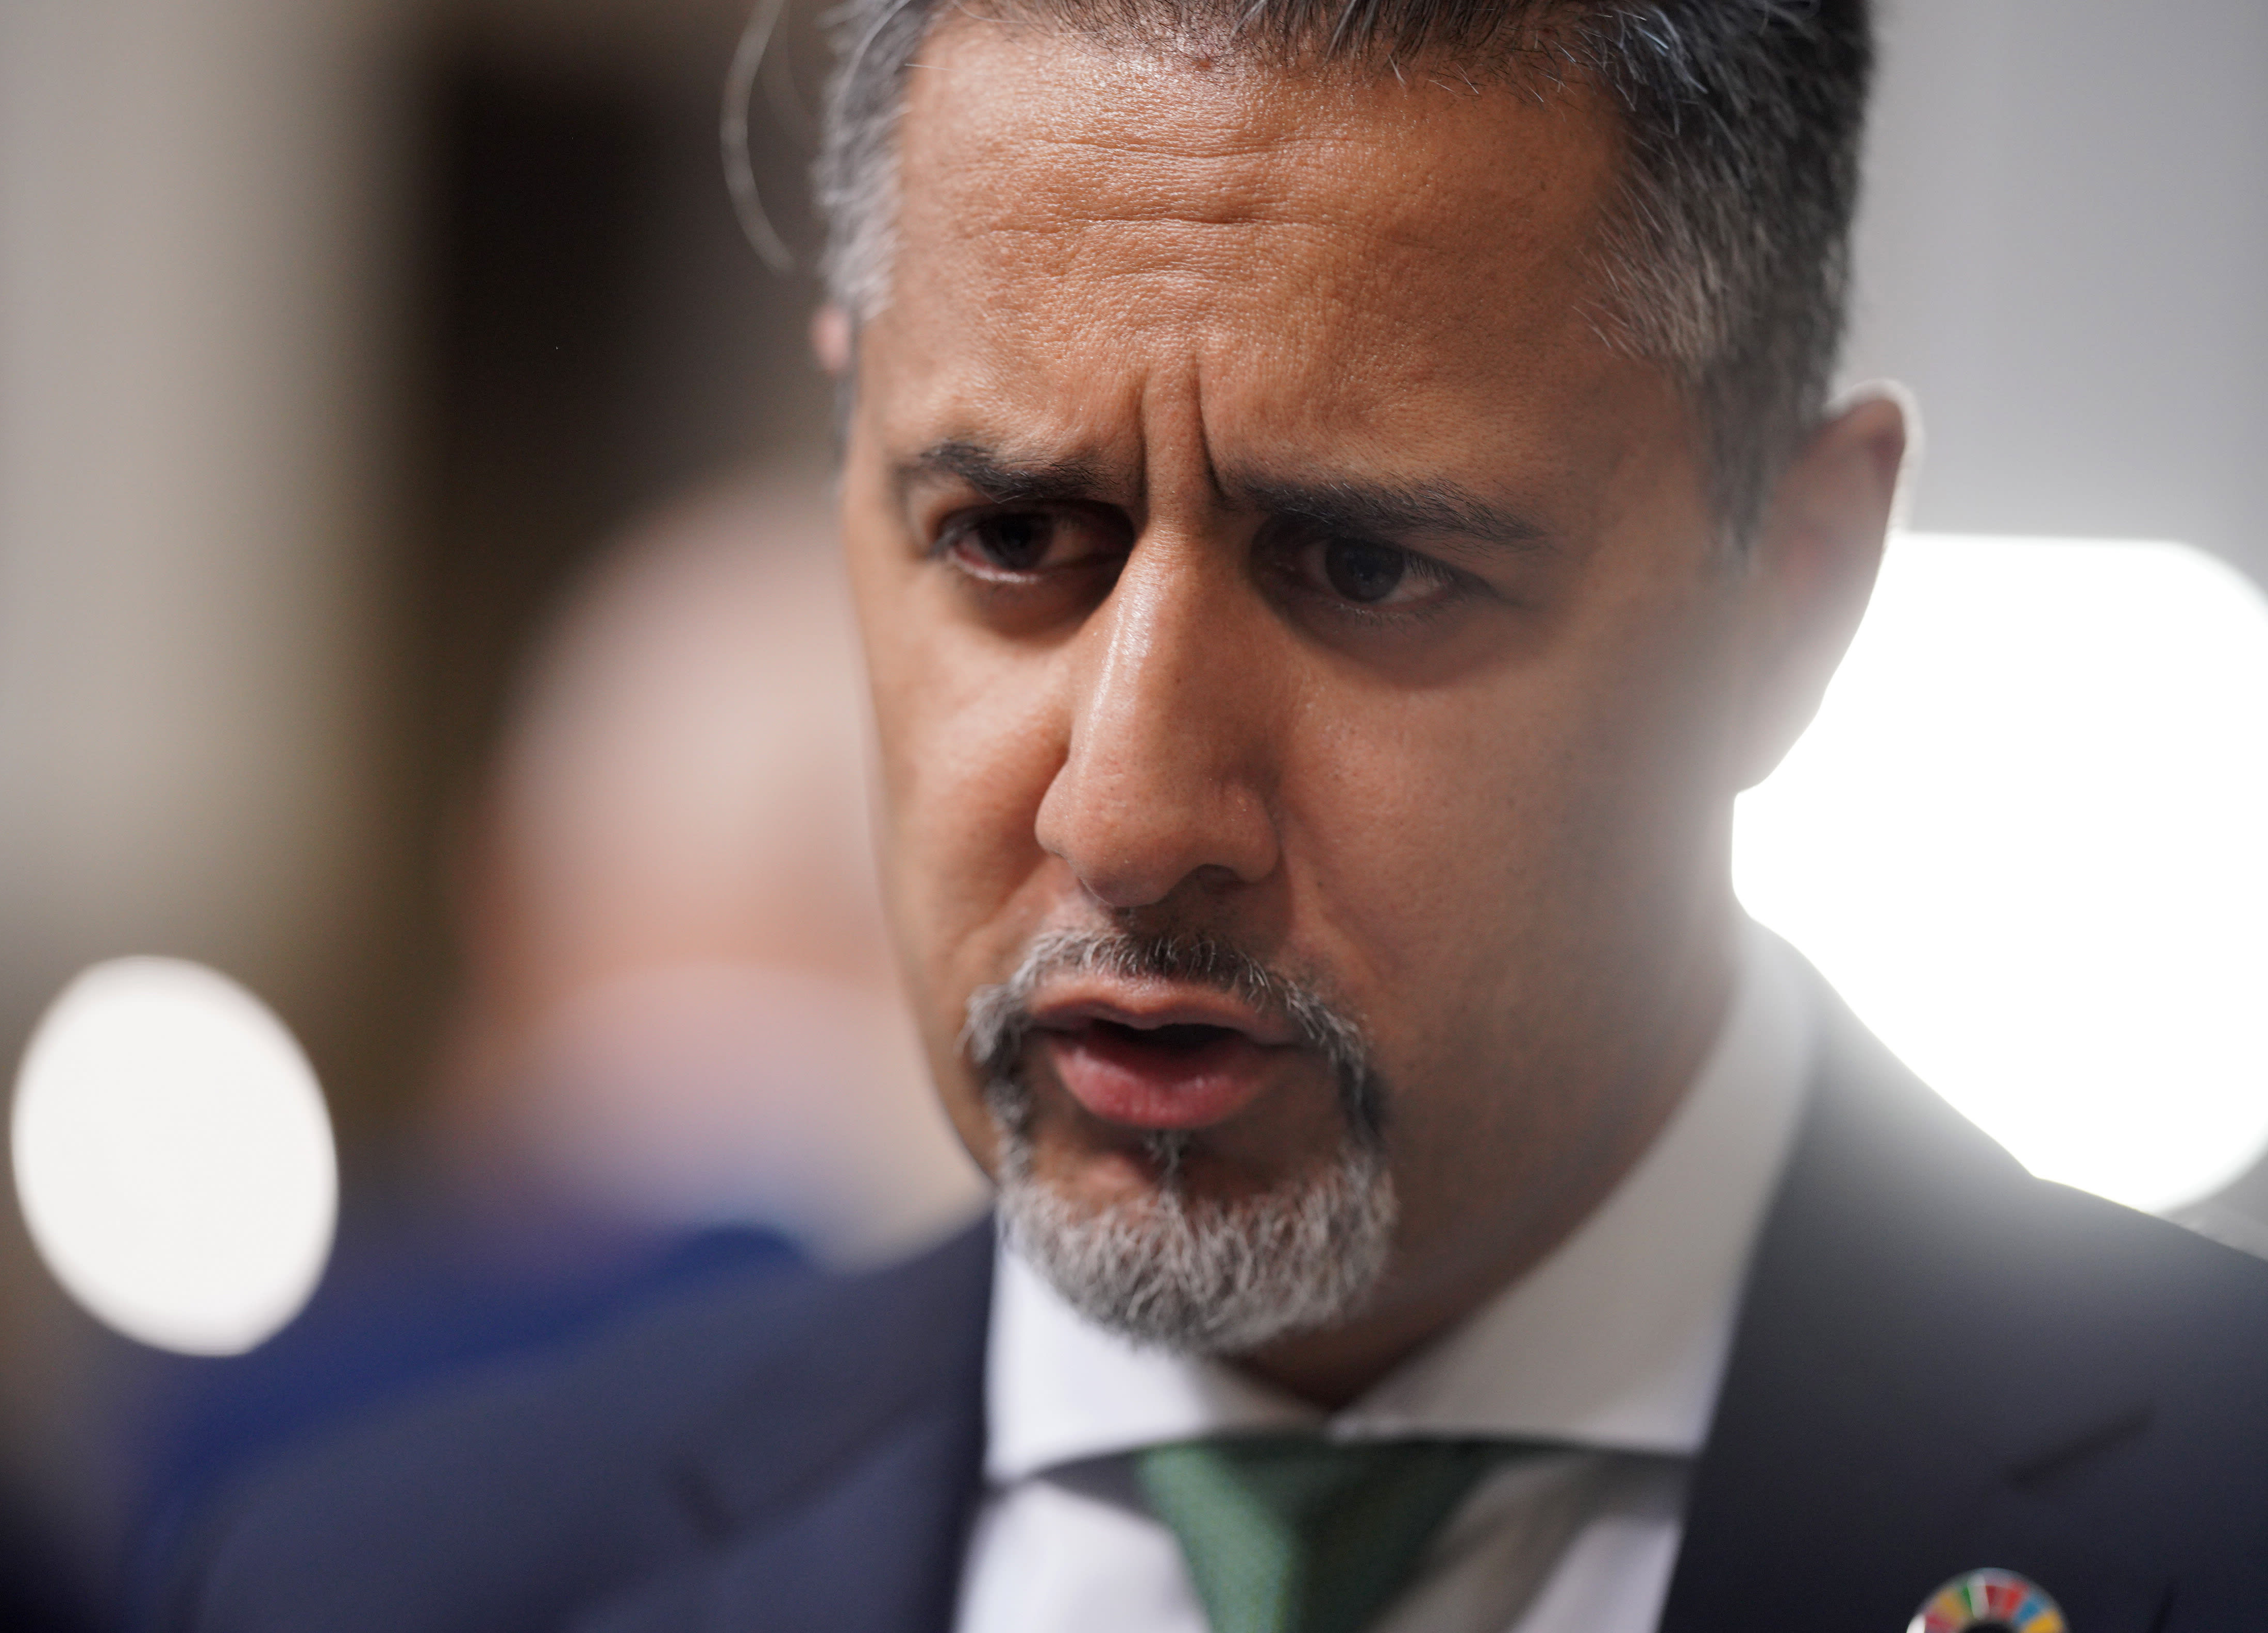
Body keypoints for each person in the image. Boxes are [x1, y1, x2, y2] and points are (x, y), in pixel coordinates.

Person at [157, 3, 2268, 1630]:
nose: (1134, 814)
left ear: (1790, 598)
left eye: (1367, 567)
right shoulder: (384, 1585)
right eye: (1008, 537)